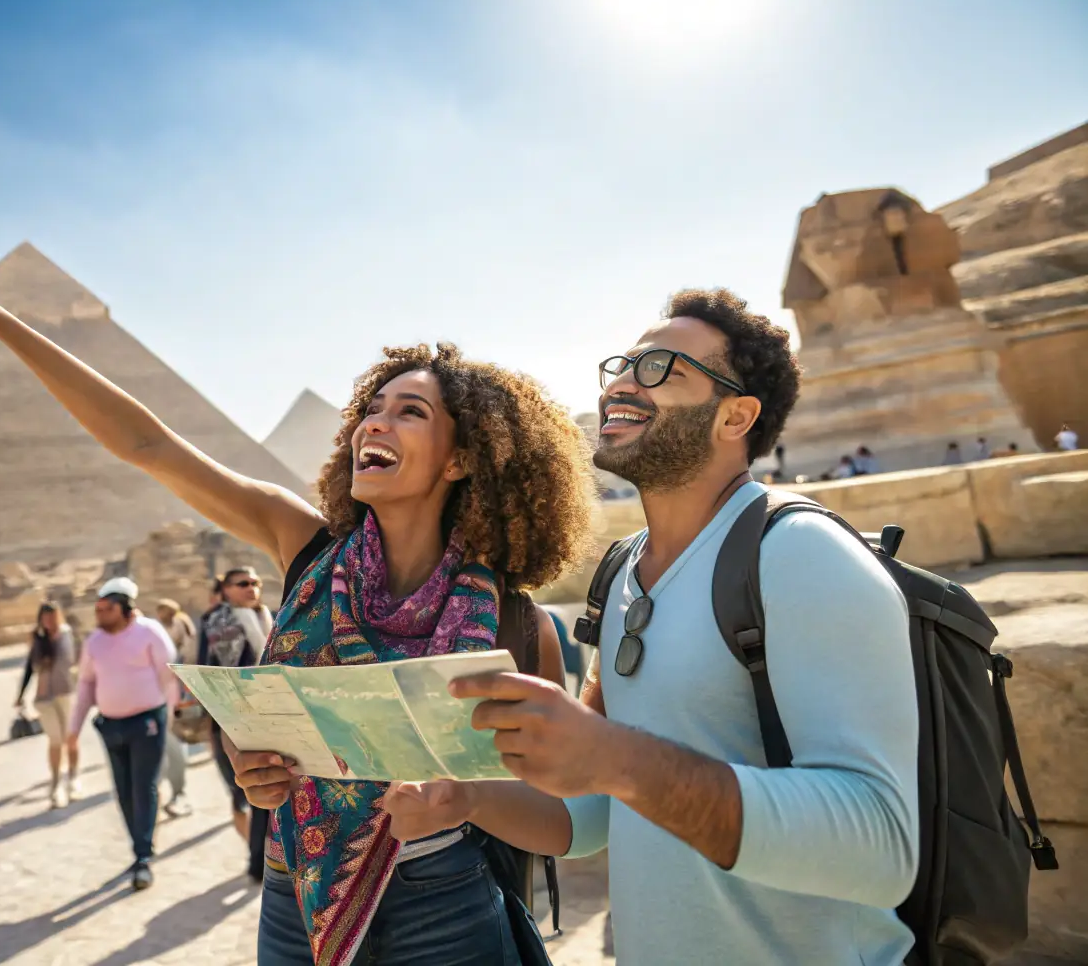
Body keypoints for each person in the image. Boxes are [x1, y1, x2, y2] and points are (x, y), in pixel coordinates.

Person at [0, 261, 592, 966]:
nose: (371, 424)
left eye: (409, 412)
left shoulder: (516, 629)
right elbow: (145, 442)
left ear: (461, 458)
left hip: (446, 907)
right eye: (370, 408)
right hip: (294, 898)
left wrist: (464, 798)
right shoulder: (299, 547)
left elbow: (561, 825)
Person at [388, 289, 920, 965]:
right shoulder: (620, 575)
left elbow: (880, 848)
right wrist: (462, 797)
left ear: (735, 416)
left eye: (660, 369)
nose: (619, 386)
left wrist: (613, 755)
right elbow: (589, 818)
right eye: (620, 366)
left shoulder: (796, 554)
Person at [67, 576, 179, 890]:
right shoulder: (95, 641)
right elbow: (86, 684)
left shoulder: (149, 632)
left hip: (147, 723)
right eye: (98, 608)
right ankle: (139, 845)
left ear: (124, 608)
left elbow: (168, 676)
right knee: (124, 790)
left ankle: (143, 856)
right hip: (111, 727)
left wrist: (168, 718)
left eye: (105, 608)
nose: (99, 614)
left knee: (144, 788)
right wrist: (73, 728)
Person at [198, 566, 273, 852]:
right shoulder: (215, 621)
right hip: (231, 717)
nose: (251, 588)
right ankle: (257, 858)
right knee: (244, 789)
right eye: (243, 583)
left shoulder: (269, 617)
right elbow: (208, 670)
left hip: (271, 713)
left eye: (256, 582)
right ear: (226, 590)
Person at [15, 603, 80, 808]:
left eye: (53, 617)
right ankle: (55, 783)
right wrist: (21, 694)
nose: (50, 622)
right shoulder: (37, 640)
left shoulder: (67, 635)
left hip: (66, 692)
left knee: (70, 737)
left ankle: (73, 777)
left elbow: (79, 659)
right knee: (55, 739)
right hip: (44, 697)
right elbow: (29, 667)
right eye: (46, 618)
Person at [154, 598, 195, 819]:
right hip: (165, 695)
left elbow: (183, 657)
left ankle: (179, 794)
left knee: (175, 747)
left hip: (178, 693)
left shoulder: (179, 626)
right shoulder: (166, 629)